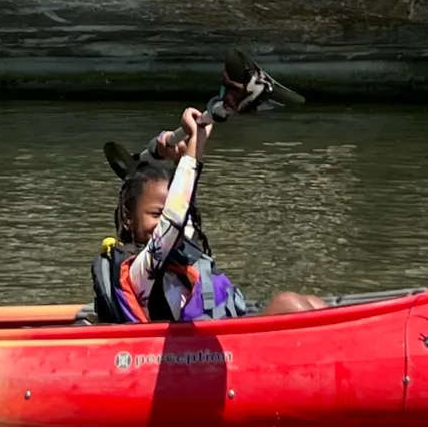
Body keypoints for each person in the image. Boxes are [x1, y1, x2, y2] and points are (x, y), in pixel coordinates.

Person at [92, 106, 327, 324]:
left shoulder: (182, 248)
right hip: (191, 356)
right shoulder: (140, 269)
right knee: (289, 304)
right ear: (129, 217)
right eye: (155, 214)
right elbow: (173, 219)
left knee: (315, 303)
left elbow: (183, 208)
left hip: (224, 344)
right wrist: (191, 153)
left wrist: (189, 150)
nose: (162, 222)